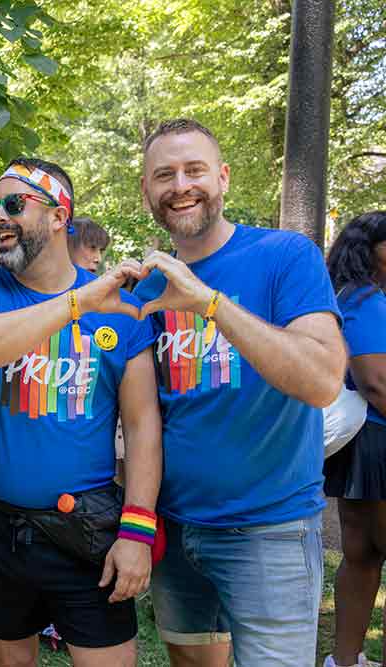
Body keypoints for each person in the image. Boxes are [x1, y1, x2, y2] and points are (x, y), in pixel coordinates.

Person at [132, 119, 346, 666]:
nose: (181, 184)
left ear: (223, 178)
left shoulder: (286, 256)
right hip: (178, 529)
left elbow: (322, 379)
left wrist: (210, 303)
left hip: (269, 532)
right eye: (164, 175)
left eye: (194, 170)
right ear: (147, 192)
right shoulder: (149, 287)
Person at [0, 157, 162, 667]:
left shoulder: (122, 310)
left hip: (86, 531)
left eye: (14, 203)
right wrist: (79, 302)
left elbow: (142, 425)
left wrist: (137, 530)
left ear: (60, 214)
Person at [323, 211, 386, 667]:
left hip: (363, 443)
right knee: (363, 554)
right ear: (372, 250)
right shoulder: (367, 300)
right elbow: (376, 382)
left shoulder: (349, 295)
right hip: (377, 441)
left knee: (361, 556)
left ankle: (344, 660)